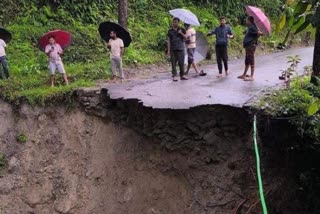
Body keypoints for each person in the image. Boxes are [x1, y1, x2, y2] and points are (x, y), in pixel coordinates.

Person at [237, 16, 263, 81]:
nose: (246, 21)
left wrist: (259, 33)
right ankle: (244, 74)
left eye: (246, 20)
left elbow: (258, 34)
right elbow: (253, 34)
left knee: (251, 59)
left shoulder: (253, 27)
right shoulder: (250, 27)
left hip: (251, 45)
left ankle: (252, 76)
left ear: (249, 21)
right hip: (248, 45)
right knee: (247, 60)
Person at [166, 17, 188, 81]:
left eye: (175, 22)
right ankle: (174, 76)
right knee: (173, 63)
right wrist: (168, 50)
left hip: (181, 48)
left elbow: (186, 38)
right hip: (173, 49)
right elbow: (169, 41)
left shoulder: (182, 29)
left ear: (178, 23)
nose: (174, 23)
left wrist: (181, 33)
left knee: (181, 63)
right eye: (173, 22)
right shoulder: (170, 31)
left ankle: (182, 75)